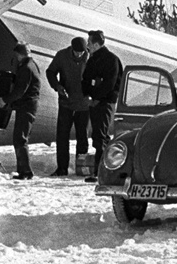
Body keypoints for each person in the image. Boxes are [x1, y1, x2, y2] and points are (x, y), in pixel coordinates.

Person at [0, 41, 41, 180]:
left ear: (19, 55)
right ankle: (24, 171)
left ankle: (25, 172)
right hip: (29, 105)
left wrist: (4, 100)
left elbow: (20, 90)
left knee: (20, 139)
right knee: (21, 138)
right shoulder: (33, 65)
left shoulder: (25, 68)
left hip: (26, 106)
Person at [46, 36, 92, 176]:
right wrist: (57, 86)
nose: (79, 55)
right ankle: (62, 168)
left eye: (82, 52)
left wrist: (93, 93)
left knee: (82, 138)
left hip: (84, 105)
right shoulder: (62, 55)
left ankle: (81, 168)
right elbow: (50, 72)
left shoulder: (91, 58)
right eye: (76, 52)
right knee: (62, 136)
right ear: (71, 49)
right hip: (66, 103)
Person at [80, 30, 122, 180]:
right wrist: (87, 94)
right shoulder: (93, 60)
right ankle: (101, 169)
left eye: (90, 43)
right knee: (97, 136)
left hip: (105, 103)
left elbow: (110, 84)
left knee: (101, 136)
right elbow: (86, 79)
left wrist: (97, 96)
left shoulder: (111, 60)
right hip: (95, 102)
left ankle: (101, 172)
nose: (88, 46)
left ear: (97, 44)